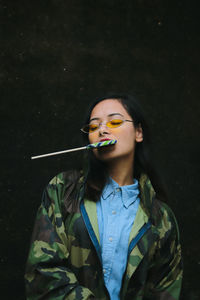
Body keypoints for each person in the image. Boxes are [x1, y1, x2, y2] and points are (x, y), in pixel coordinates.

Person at [25, 94, 183, 300]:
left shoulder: (162, 218)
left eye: (115, 121)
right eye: (93, 127)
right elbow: (42, 274)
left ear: (138, 132)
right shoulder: (63, 190)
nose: (102, 130)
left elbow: (165, 292)